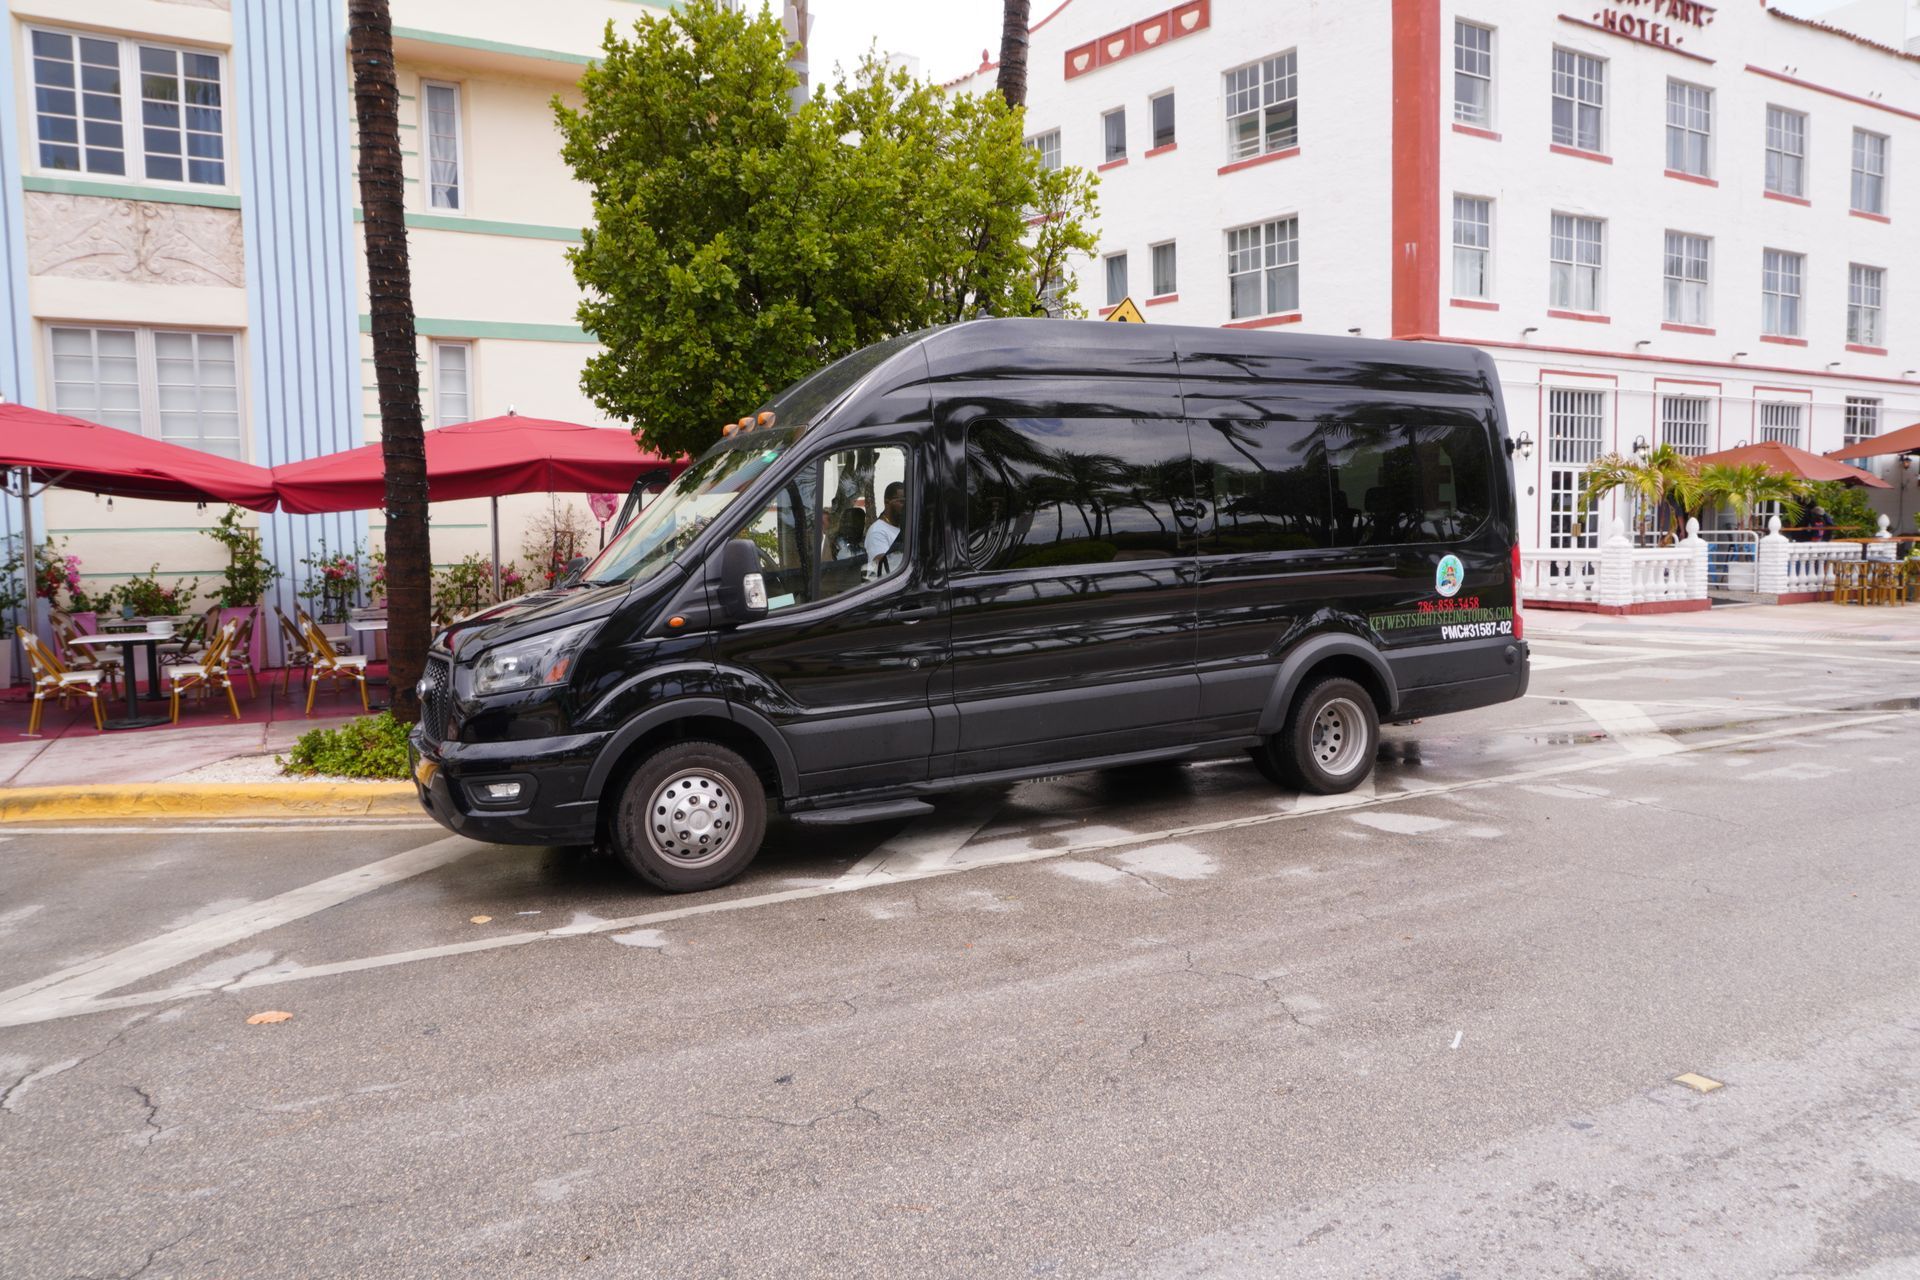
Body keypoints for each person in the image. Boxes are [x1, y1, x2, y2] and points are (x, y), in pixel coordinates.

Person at [865, 481, 906, 575]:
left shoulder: (901, 526)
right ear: (887, 502)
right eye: (902, 502)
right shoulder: (877, 531)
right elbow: (883, 568)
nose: (905, 506)